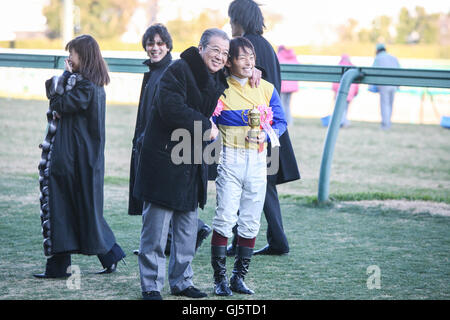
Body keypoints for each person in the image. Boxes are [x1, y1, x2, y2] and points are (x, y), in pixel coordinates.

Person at [133, 28, 230, 300]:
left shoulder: (217, 76)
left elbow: (245, 65)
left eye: (225, 53)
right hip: (164, 159)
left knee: (187, 227)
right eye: (215, 50)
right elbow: (170, 107)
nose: (220, 57)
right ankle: (151, 286)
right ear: (201, 48)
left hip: (192, 160)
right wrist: (206, 127)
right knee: (156, 229)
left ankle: (182, 282)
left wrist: (255, 71)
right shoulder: (178, 70)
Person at [34, 34, 125, 279]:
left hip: (74, 158)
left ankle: (62, 266)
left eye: (71, 53)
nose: (68, 58)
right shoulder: (91, 85)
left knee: (62, 206)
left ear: (82, 56)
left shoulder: (85, 86)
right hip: (81, 159)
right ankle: (109, 255)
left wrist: (63, 77)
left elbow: (59, 104)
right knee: (80, 209)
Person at [210, 37, 287, 296]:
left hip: (258, 161)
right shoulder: (218, 87)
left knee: (251, 221)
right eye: (241, 57)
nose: (248, 62)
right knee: (224, 218)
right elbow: (207, 119)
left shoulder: (265, 87)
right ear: (229, 61)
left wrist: (267, 135)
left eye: (251, 57)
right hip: (230, 158)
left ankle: (238, 278)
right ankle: (219, 280)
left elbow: (281, 121)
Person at [127, 23, 211, 256]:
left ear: (168, 46)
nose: (155, 48)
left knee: (165, 201)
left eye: (160, 43)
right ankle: (173, 239)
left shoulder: (171, 70)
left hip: (167, 149)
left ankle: (197, 229)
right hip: (146, 143)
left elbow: (174, 111)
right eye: (151, 43)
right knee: (158, 202)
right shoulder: (153, 72)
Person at [226, 0, 300, 256]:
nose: (230, 24)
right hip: (270, 129)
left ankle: (241, 241)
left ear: (239, 19)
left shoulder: (244, 46)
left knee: (243, 184)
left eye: (231, 18)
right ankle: (277, 240)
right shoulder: (266, 45)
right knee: (265, 186)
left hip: (252, 130)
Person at [372, 43, 400, 130]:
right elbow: (399, 69)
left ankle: (385, 124)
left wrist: (373, 86)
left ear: (377, 50)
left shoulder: (378, 58)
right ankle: (388, 122)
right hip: (394, 84)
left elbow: (374, 71)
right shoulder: (393, 57)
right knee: (390, 104)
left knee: (384, 104)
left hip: (383, 84)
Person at [331, 54, 359, 128]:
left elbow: (335, 83)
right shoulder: (353, 68)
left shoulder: (339, 67)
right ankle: (344, 121)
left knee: (339, 108)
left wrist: (334, 91)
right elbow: (356, 83)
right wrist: (356, 92)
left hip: (340, 92)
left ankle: (341, 122)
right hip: (350, 93)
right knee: (345, 108)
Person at [277, 45, 299, 126]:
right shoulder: (293, 56)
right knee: (287, 104)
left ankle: (284, 121)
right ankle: (290, 121)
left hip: (283, 85)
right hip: (292, 85)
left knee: (282, 103)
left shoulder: (279, 56)